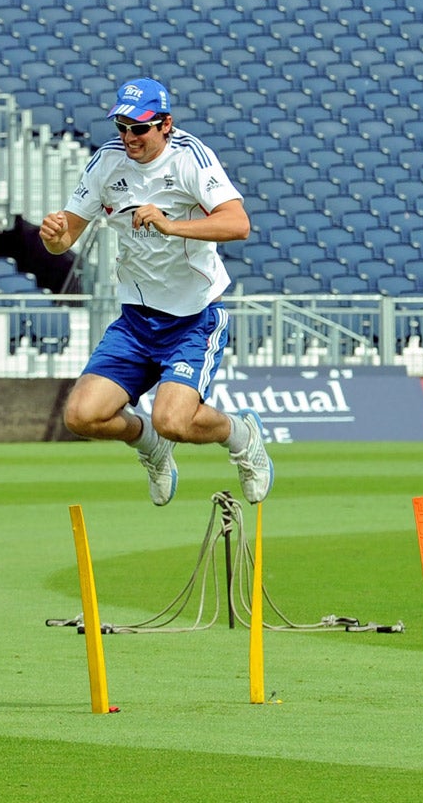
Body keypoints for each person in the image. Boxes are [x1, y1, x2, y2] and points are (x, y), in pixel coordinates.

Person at [40, 79, 272, 509]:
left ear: (166, 125)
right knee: (81, 416)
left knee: (173, 420)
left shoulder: (191, 158)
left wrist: (171, 224)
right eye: (123, 127)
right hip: (135, 320)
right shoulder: (108, 161)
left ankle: (242, 437)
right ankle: (150, 446)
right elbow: (66, 236)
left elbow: (238, 224)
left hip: (192, 319)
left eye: (139, 128)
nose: (129, 137)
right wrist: (54, 237)